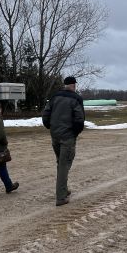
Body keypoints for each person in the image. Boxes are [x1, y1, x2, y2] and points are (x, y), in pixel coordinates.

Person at [42, 75, 85, 206]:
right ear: (73, 85)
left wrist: (50, 127)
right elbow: (79, 119)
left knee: (61, 163)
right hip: (68, 137)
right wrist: (74, 133)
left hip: (55, 135)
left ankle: (64, 190)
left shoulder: (55, 97)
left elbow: (46, 114)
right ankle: (60, 197)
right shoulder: (76, 98)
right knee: (64, 165)